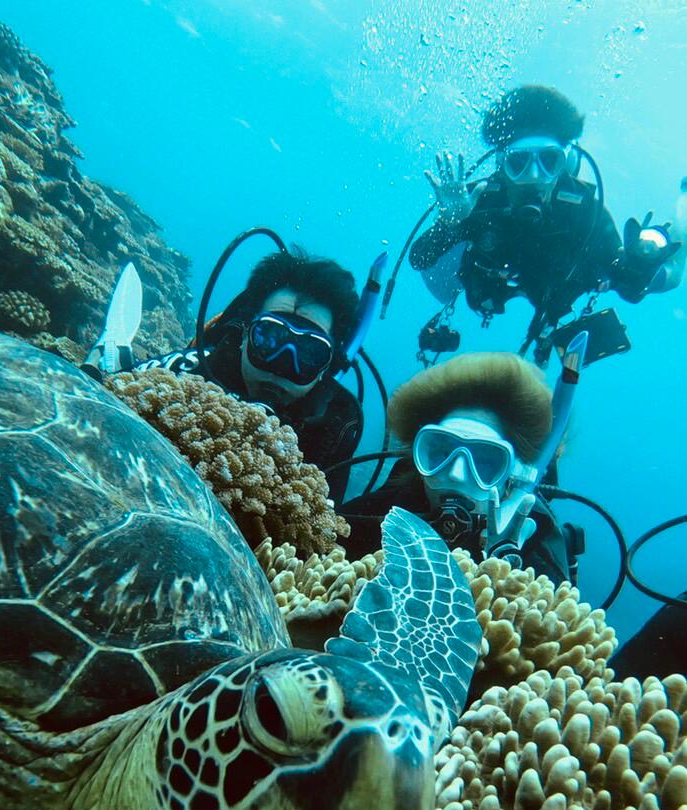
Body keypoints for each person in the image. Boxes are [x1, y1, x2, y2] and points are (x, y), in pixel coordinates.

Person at [409, 85, 681, 362]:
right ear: (502, 165)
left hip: (557, 290)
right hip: (491, 286)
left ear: (563, 164)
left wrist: (641, 263)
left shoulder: (585, 211)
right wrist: (450, 224)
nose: (534, 176)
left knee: (660, 276)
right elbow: (419, 258)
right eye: (518, 162)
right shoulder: (479, 200)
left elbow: (630, 289)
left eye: (549, 161)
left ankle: (680, 243)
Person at [109, 249, 367, 503]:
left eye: (309, 352)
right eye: (269, 338)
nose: (281, 365)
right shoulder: (193, 368)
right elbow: (114, 389)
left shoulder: (335, 428)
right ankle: (112, 350)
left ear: (326, 368)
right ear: (244, 336)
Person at [341, 351, 577, 583]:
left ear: (514, 475)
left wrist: (502, 573)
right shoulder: (379, 512)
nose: (456, 474)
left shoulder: (538, 555)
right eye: (442, 452)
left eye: (485, 461)